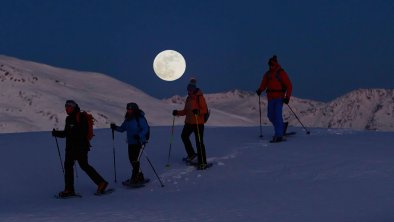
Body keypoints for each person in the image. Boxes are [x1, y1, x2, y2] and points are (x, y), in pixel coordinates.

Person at [52, 100, 108, 197]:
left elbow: (82, 132)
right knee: (75, 166)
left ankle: (70, 190)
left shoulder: (80, 117)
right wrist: (56, 133)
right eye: (66, 106)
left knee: (78, 166)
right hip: (72, 148)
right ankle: (100, 183)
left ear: (73, 107)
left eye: (69, 106)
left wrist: (73, 137)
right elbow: (66, 133)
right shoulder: (69, 119)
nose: (66, 108)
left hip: (79, 147)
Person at [172, 78, 209, 170]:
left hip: (198, 123)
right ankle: (192, 155)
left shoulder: (199, 97)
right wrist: (177, 112)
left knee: (199, 142)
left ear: (194, 89)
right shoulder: (188, 98)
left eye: (190, 90)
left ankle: (202, 162)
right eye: (188, 89)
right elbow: (185, 111)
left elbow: (204, 110)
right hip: (189, 122)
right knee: (184, 136)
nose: (189, 91)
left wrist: (198, 111)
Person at [110, 102, 149, 185]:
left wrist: (139, 136)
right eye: (128, 109)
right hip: (131, 143)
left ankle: (135, 178)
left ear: (135, 109)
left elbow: (146, 129)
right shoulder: (128, 119)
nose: (129, 110)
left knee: (135, 160)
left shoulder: (140, 118)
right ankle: (140, 176)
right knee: (132, 160)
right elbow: (122, 129)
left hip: (140, 142)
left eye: (130, 109)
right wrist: (115, 127)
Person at [256, 55, 292, 143]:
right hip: (270, 98)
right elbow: (264, 84)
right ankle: (282, 127)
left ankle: (279, 135)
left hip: (279, 97)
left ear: (275, 64)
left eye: (272, 64)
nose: (270, 66)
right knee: (270, 116)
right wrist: (260, 90)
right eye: (269, 64)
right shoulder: (267, 74)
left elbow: (289, 85)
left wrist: (287, 97)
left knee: (277, 115)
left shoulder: (281, 73)